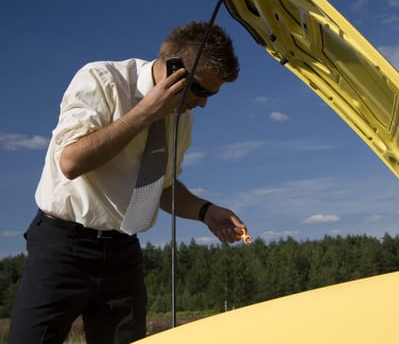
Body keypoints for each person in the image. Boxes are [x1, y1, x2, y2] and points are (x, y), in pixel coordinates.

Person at [8, 21, 247, 344]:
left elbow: (160, 187)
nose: (202, 103)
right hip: (62, 246)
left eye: (211, 95)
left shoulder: (182, 120)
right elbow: (71, 161)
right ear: (174, 69)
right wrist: (145, 113)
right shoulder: (101, 80)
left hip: (123, 255)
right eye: (200, 90)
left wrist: (206, 211)